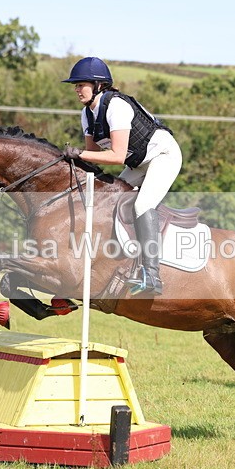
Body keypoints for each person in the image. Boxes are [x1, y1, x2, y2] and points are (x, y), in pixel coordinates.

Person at [61, 57, 182, 296]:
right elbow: (92, 156)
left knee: (142, 205)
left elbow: (116, 156)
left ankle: (152, 276)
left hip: (163, 156)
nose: (76, 89)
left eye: (80, 84)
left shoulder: (116, 107)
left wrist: (78, 153)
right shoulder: (87, 114)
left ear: (98, 85)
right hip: (139, 163)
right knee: (112, 201)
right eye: (75, 85)